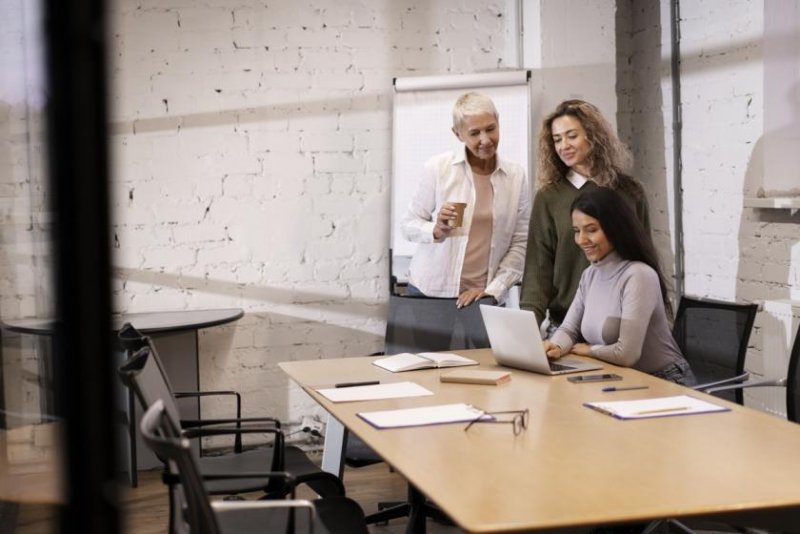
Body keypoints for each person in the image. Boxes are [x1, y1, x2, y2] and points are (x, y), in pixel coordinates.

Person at [520, 99, 650, 335]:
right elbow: (537, 270)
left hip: (620, 327)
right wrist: (525, 329)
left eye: (571, 136)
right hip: (566, 327)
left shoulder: (630, 192)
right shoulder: (549, 197)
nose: (563, 146)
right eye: (557, 139)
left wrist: (661, 317)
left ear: (593, 135)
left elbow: (645, 256)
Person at [543, 187, 695, 385]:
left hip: (666, 382)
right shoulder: (590, 275)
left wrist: (590, 350)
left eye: (591, 230)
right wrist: (555, 345)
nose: (581, 240)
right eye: (576, 231)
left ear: (615, 228)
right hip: (623, 379)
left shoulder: (639, 275)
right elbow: (569, 329)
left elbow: (627, 354)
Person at [400, 92, 530, 308]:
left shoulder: (516, 175)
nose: (486, 140)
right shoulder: (438, 168)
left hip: (484, 296)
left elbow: (520, 242)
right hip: (431, 291)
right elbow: (407, 225)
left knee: (487, 345)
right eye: (474, 133)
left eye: (491, 129)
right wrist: (436, 230)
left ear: (498, 123)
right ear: (458, 134)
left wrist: (493, 290)